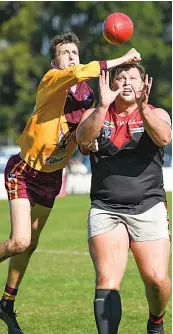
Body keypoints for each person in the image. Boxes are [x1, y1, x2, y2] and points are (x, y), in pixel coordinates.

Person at [0, 30, 141, 334]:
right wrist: (124, 58)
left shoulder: (88, 96)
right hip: (24, 171)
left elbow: (86, 135)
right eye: (65, 53)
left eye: (74, 52)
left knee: (31, 245)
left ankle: (7, 304)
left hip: (52, 178)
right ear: (54, 61)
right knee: (19, 241)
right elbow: (83, 71)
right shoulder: (53, 79)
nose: (71, 57)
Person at [76, 63, 171, 334]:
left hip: (149, 205)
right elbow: (83, 140)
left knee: (156, 279)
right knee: (106, 279)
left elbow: (164, 137)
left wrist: (143, 109)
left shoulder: (157, 113)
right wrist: (102, 107)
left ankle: (156, 320)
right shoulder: (95, 114)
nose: (127, 82)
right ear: (111, 84)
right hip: (106, 208)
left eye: (133, 78)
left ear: (143, 85)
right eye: (121, 78)